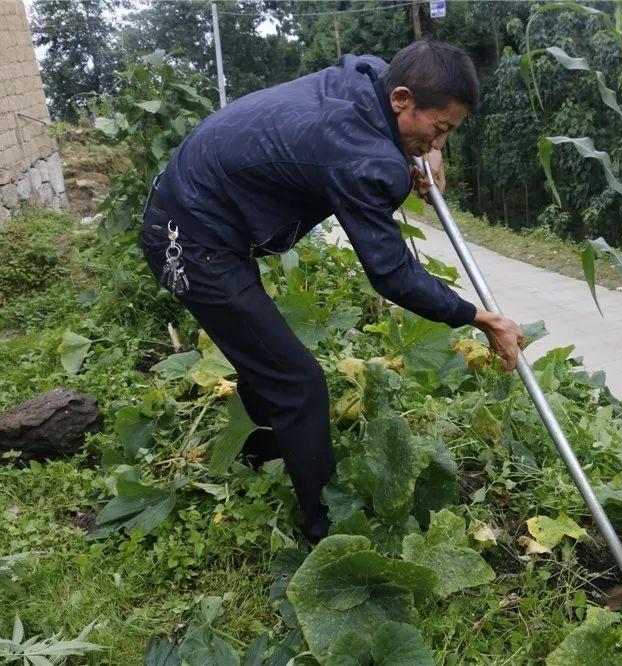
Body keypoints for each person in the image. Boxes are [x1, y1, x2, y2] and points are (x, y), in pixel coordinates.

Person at [139, 40, 525, 540]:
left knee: (270, 360)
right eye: (440, 129)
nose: (441, 143)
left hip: (197, 210)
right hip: (187, 240)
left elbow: (385, 99)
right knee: (300, 384)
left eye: (448, 133)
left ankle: (263, 457)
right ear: (402, 99)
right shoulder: (362, 156)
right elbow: (392, 275)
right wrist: (480, 317)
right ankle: (325, 530)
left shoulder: (369, 80)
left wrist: (426, 149)